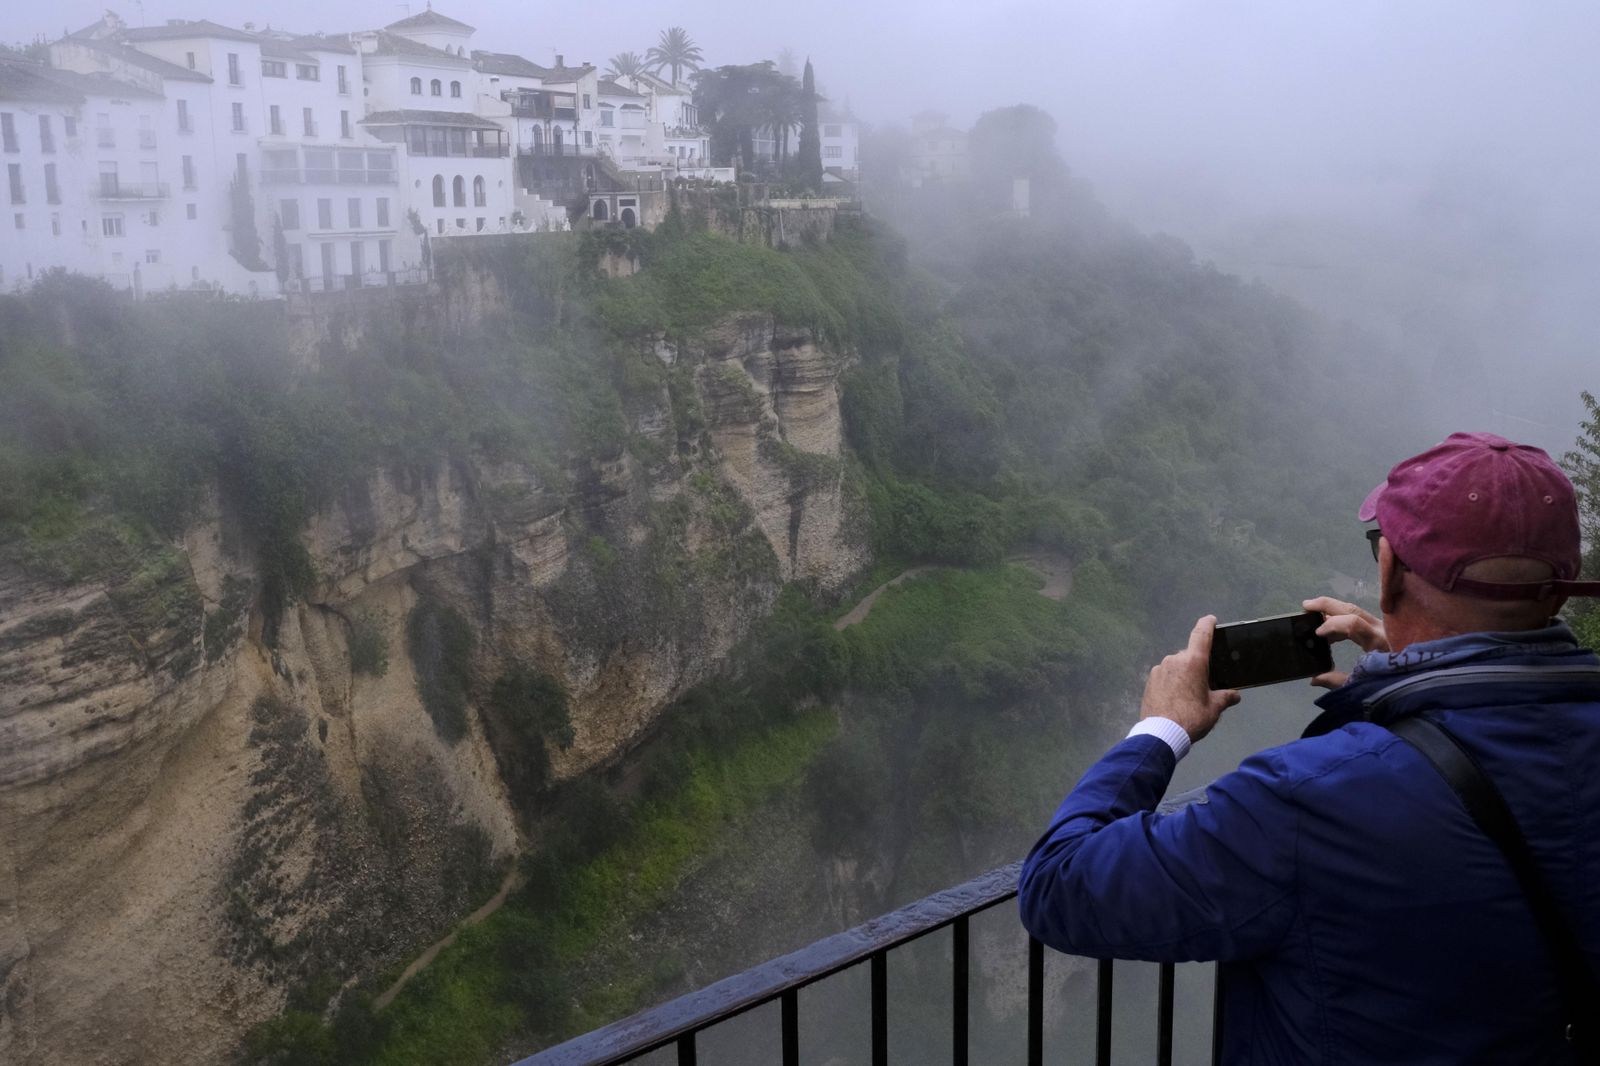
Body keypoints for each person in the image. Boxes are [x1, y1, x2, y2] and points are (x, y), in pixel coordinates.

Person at [1018, 432, 1600, 1064]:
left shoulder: (1308, 799)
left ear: (1388, 571)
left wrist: (1161, 729)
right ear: (1564, 587)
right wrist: (1408, 685)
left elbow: (1059, 887)